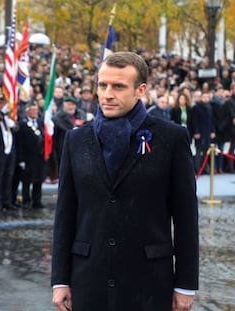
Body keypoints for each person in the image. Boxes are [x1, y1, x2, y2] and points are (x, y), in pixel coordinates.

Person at [51, 52, 199, 311]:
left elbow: (186, 218)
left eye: (118, 86)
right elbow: (65, 214)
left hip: (149, 282)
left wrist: (185, 285)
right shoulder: (76, 140)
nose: (108, 94)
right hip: (88, 279)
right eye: (102, 85)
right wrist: (60, 280)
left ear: (140, 90)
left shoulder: (171, 138)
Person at [15, 102, 46, 209]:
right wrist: (21, 159)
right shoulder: (23, 124)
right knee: (27, 180)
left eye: (36, 110)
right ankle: (26, 200)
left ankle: (37, 200)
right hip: (28, 156)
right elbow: (19, 143)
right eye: (32, 110)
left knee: (38, 179)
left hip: (39, 156)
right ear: (27, 111)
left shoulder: (39, 122)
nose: (34, 112)